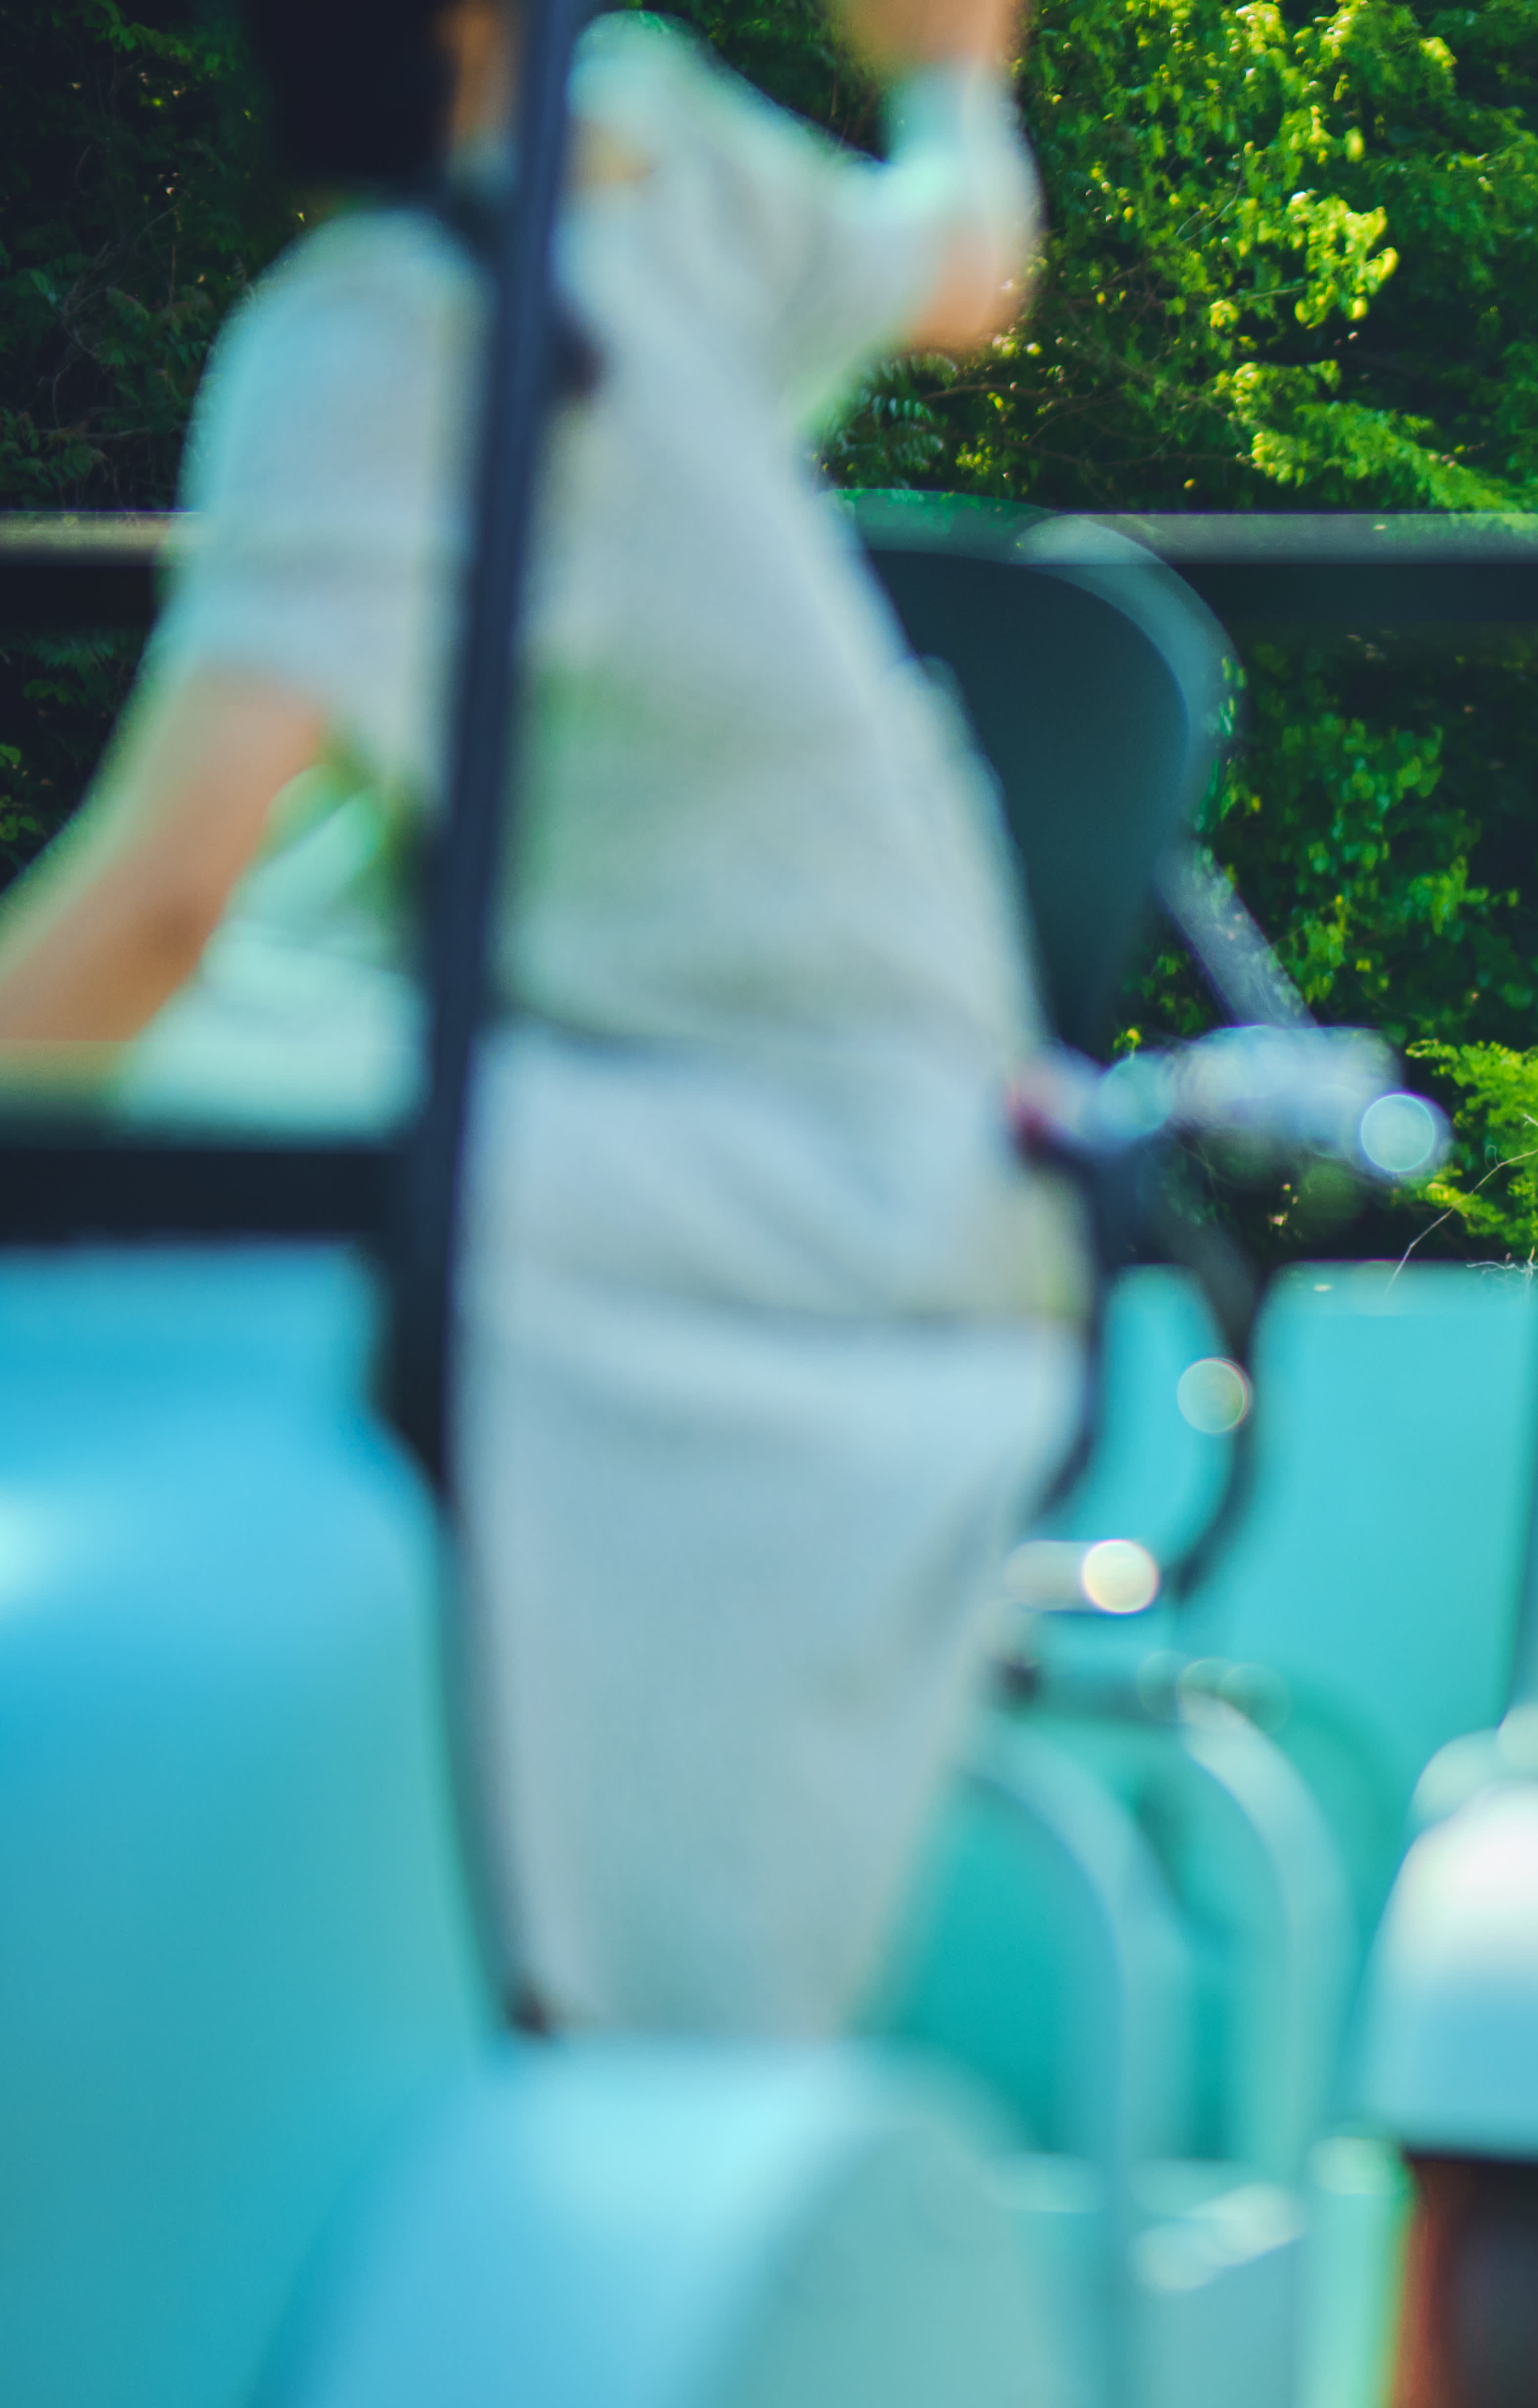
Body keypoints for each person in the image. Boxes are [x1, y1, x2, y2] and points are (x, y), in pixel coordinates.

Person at [0, 0, 1071, 2036]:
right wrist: (948, 67)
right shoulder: (636, 166)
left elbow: (155, 897)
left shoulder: (383, 334)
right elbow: (963, 258)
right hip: (897, 1099)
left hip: (755, 1146)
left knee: (191, 1159)